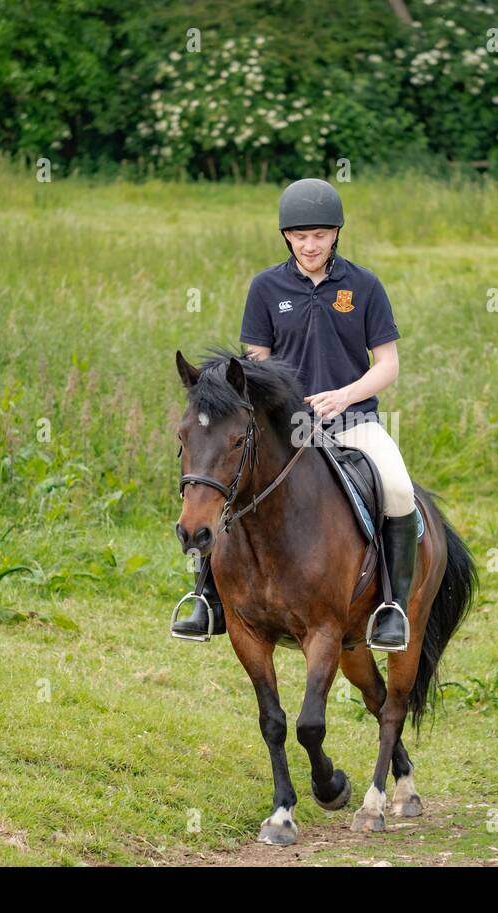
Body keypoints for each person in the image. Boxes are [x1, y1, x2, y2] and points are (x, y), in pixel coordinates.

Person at [171, 178, 418, 651]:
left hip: (353, 422)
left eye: (320, 235)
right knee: (228, 482)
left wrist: (344, 396)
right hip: (288, 427)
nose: (311, 245)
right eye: (301, 236)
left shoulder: (364, 286)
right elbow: (255, 362)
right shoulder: (267, 286)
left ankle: (392, 608)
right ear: (287, 236)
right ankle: (206, 599)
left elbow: (387, 365)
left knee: (399, 489)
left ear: (336, 234)